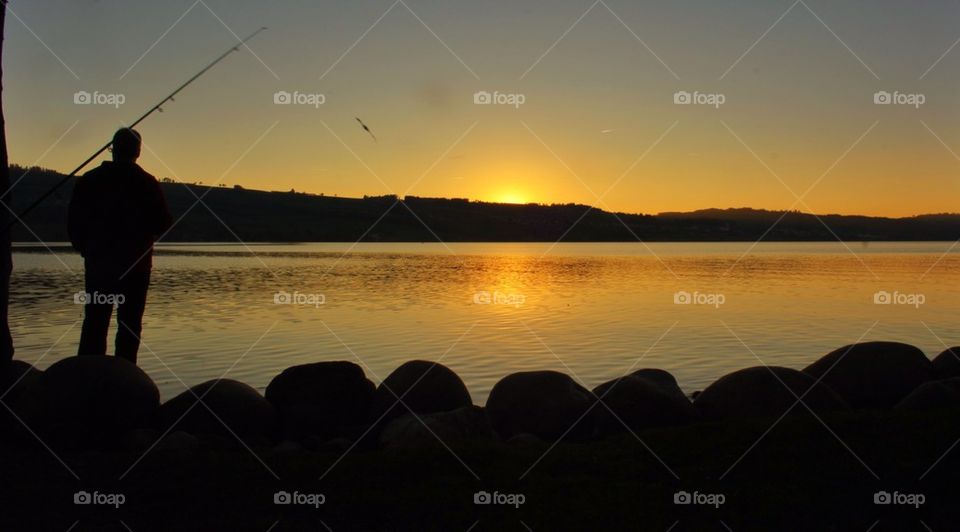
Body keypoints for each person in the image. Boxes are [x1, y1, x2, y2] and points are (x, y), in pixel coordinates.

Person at [68, 128, 172, 363]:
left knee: (95, 321)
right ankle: (125, 377)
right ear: (138, 152)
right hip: (137, 267)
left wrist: (86, 249)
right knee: (130, 324)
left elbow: (74, 224)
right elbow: (163, 222)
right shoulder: (147, 182)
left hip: (99, 265)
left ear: (112, 149)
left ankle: (87, 375)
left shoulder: (89, 180)